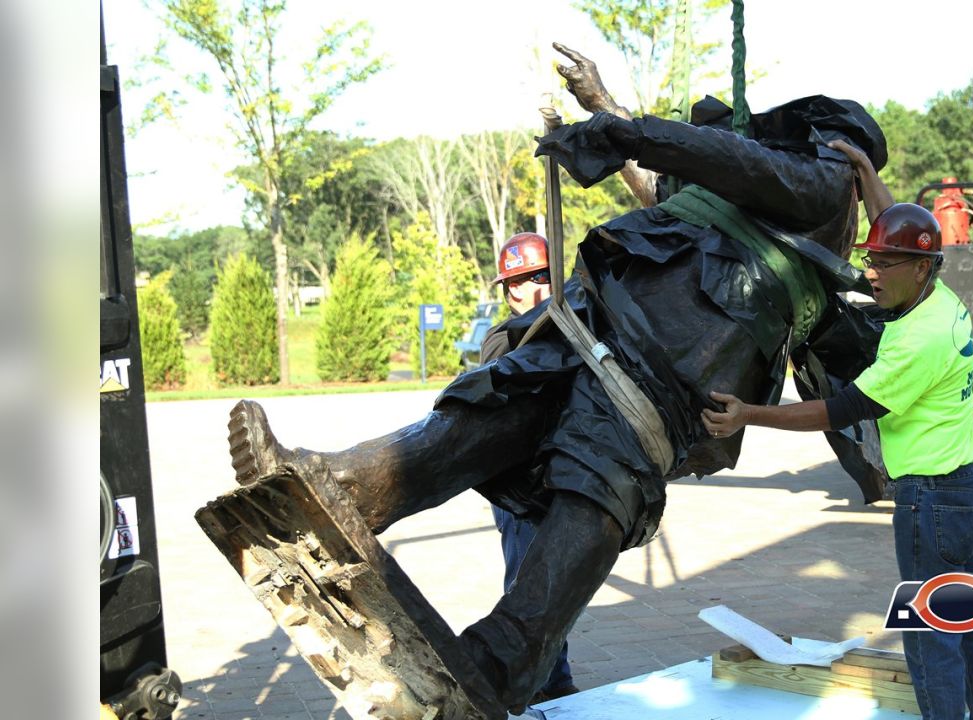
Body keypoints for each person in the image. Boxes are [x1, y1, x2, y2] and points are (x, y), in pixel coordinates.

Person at [225, 77, 895, 714]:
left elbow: (721, 155)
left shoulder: (824, 184)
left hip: (662, 374)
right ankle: (343, 484)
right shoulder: (744, 196)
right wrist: (606, 113)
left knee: (595, 489)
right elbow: (670, 178)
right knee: (494, 406)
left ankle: (496, 663)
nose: (778, 136)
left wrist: (620, 130)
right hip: (592, 328)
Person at [701, 203, 973, 720]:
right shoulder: (942, 300)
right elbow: (902, 223)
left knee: (930, 639)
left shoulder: (918, 340)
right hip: (965, 495)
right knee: (969, 626)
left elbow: (842, 409)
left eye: (883, 264)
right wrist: (867, 172)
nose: (870, 273)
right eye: (870, 260)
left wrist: (749, 415)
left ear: (920, 268)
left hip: (931, 503)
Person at [484, 231, 577, 702]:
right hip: (518, 492)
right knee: (526, 585)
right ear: (510, 288)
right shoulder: (501, 340)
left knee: (555, 584)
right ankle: (532, 681)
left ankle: (554, 679)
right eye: (526, 279)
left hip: (556, 480)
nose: (537, 286)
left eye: (544, 275)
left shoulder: (568, 326)